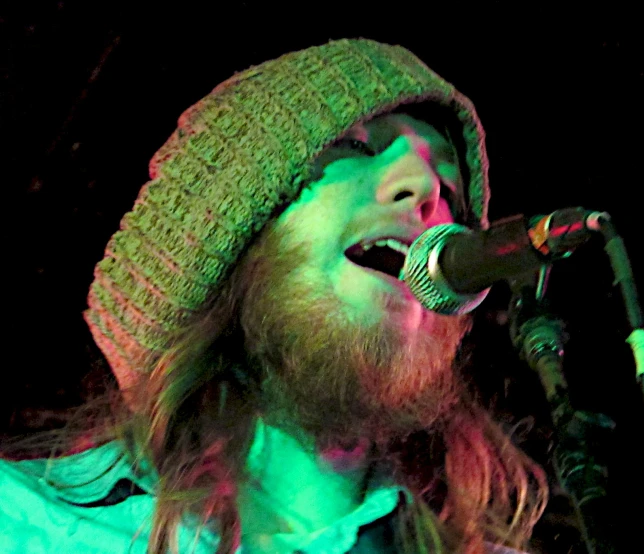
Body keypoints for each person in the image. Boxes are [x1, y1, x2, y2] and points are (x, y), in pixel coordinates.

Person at [0, 39, 548, 553]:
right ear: (226, 232)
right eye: (354, 146)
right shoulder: (22, 522)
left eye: (449, 189)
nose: (425, 190)